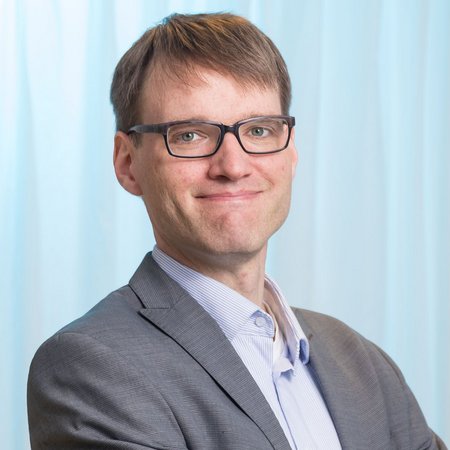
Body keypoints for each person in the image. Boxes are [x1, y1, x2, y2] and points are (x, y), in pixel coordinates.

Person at [27, 12, 446, 450]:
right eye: (189, 135)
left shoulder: (363, 364)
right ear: (128, 163)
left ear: (291, 154)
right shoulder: (90, 367)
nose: (233, 165)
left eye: (259, 130)